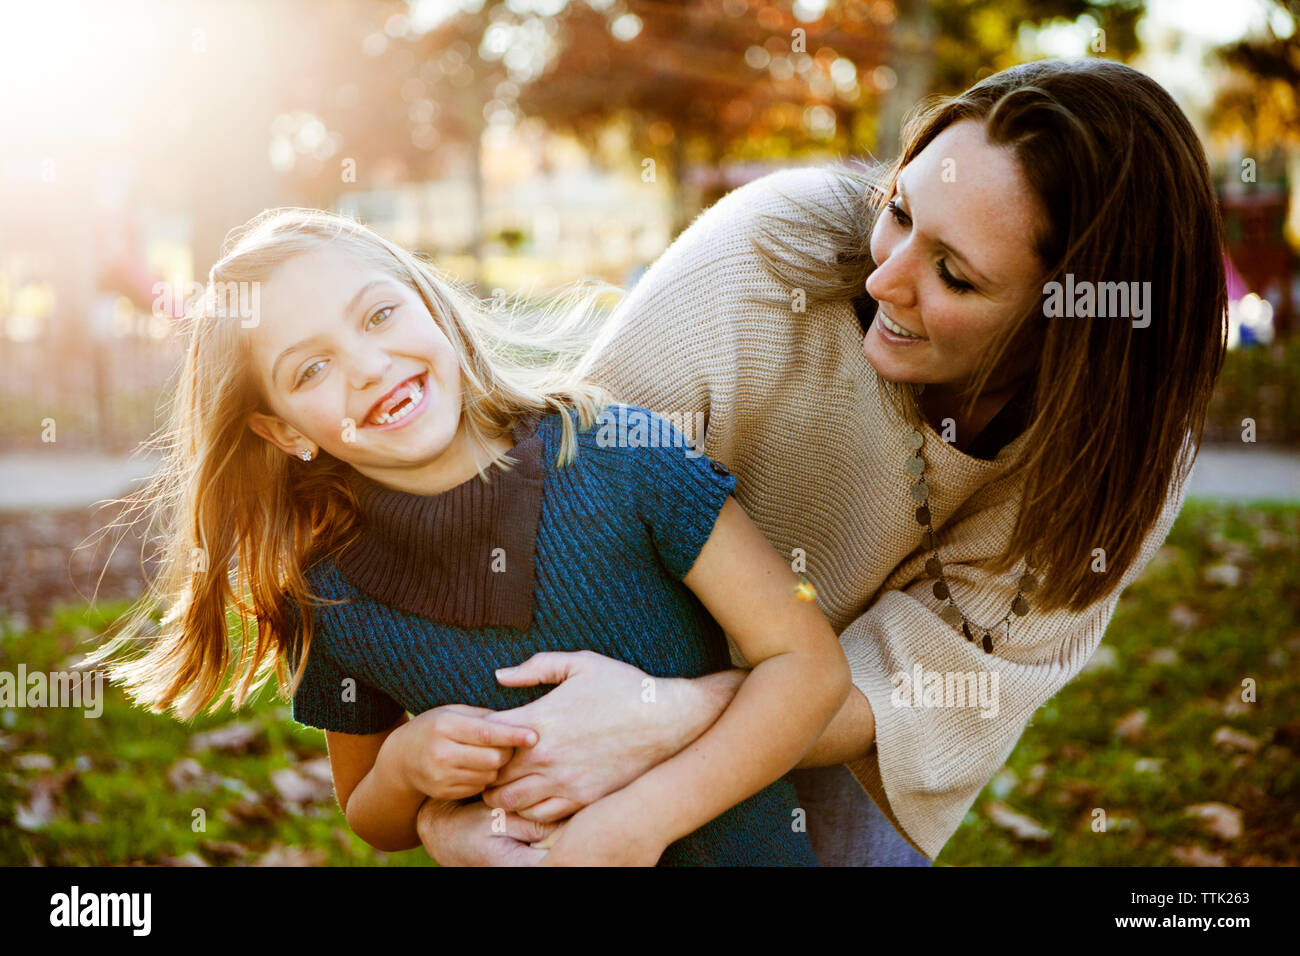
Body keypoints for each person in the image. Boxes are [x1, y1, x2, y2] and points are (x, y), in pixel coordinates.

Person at [414, 57, 1227, 866]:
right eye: (900, 212)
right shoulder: (767, 258)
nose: (886, 277)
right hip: (611, 657)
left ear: (1073, 325)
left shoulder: (1117, 464)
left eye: (953, 275)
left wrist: (674, 716)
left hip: (842, 734)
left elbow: (916, 689)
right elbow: (572, 530)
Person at [87, 206, 853, 866]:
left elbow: (808, 668)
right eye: (312, 367)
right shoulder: (333, 593)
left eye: (380, 315)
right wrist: (408, 765)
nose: (369, 365)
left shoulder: (620, 455)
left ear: (430, 304)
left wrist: (637, 823)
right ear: (285, 433)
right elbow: (367, 812)